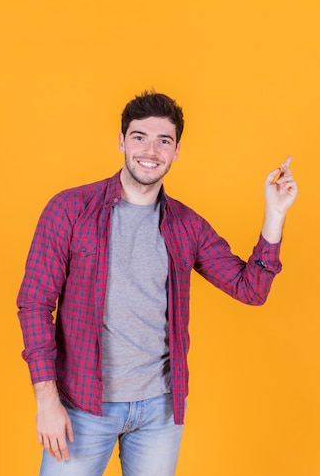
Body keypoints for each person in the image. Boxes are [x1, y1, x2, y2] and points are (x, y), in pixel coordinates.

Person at [17, 91, 298, 476]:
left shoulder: (187, 225)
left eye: (163, 140)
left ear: (176, 150)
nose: (150, 150)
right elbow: (34, 303)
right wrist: (47, 401)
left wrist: (275, 214)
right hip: (82, 405)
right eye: (139, 137)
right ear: (121, 142)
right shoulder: (69, 210)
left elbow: (249, 289)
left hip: (159, 411)